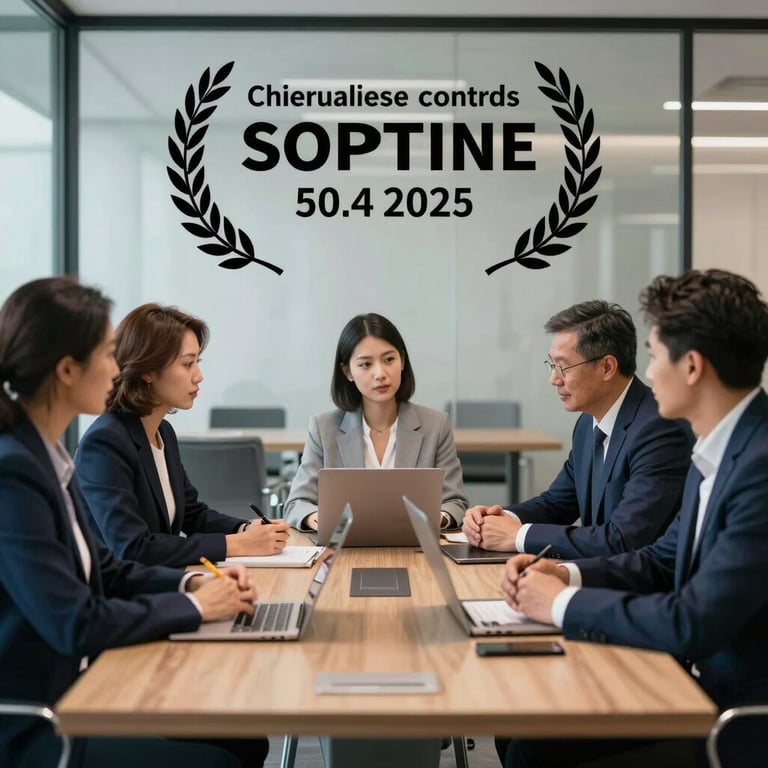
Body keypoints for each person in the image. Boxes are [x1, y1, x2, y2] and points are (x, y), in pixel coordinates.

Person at [500, 269, 768, 768]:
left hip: (734, 716)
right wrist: (564, 571)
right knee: (522, 731)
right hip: (689, 682)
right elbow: (662, 558)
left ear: (691, 366)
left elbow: (693, 620)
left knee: (531, 752)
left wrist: (561, 603)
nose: (644, 371)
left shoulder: (759, 468)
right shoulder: (721, 448)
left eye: (651, 353)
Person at [0, 277, 265, 768]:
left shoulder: (45, 457)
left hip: (85, 686)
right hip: (42, 723)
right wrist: (195, 607)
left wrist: (197, 579)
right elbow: (76, 622)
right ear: (65, 370)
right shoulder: (14, 472)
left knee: (245, 737)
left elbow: (108, 569)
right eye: (106, 353)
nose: (115, 366)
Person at [462, 300, 693, 560]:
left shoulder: (660, 429)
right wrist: (498, 518)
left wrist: (517, 536)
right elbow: (557, 503)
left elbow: (623, 539)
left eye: (563, 366)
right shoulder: (587, 423)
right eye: (551, 365)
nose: (554, 379)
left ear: (607, 367)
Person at [75, 303, 289, 568]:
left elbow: (193, 514)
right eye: (187, 364)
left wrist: (246, 529)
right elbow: (133, 548)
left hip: (162, 583)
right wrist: (237, 544)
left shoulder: (162, 430)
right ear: (147, 371)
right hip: (121, 599)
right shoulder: (106, 442)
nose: (198, 376)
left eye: (197, 362)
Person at [284, 313, 467, 531]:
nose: (380, 374)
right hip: (344, 548)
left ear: (402, 361)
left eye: (389, 360)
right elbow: (297, 504)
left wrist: (438, 518)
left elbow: (455, 503)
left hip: (416, 546)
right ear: (347, 372)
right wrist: (318, 519)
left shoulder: (435, 425)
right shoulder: (323, 428)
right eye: (365, 364)